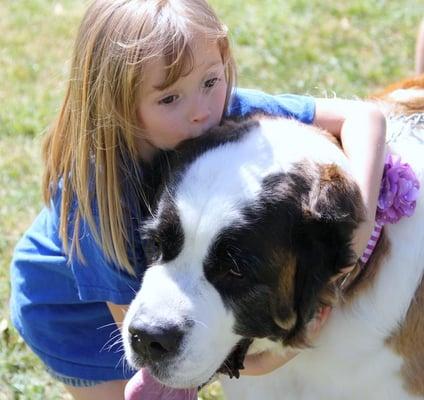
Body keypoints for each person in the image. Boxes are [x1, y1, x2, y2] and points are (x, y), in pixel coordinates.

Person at [9, 0, 387, 399]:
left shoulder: (221, 110)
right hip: (70, 316)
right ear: (117, 104)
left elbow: (365, 118)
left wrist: (357, 230)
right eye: (169, 98)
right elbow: (143, 325)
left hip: (174, 291)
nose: (200, 112)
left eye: (211, 81)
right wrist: (274, 357)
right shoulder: (99, 193)